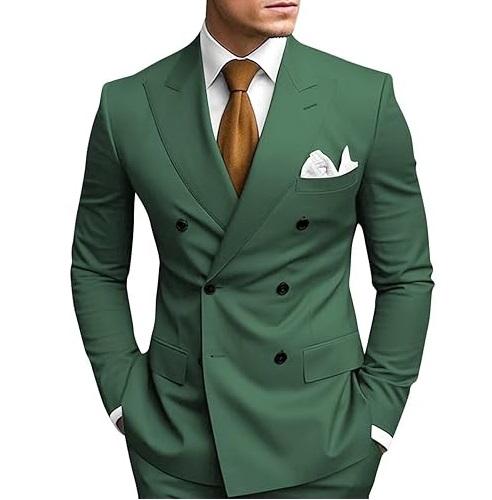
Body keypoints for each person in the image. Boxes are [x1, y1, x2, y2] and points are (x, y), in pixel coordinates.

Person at [70, 0, 434, 497]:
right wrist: (123, 396)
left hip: (325, 439)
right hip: (179, 439)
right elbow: (96, 267)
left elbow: (405, 274)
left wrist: (379, 414)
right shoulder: (129, 104)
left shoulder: (363, 97)